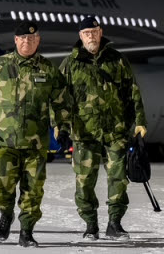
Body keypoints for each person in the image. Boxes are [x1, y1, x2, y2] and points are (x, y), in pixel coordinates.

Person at [0, 21, 70, 247]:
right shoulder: (0, 66)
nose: (27, 41)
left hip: (36, 143)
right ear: (16, 40)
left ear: (38, 40)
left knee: (33, 191)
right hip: (5, 141)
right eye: (23, 38)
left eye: (32, 38)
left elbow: (61, 103)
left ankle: (26, 231)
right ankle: (5, 213)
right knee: (0, 187)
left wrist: (63, 128)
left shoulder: (48, 70)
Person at [60, 16, 146, 241]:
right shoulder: (70, 63)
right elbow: (58, 98)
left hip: (115, 131)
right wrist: (59, 126)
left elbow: (133, 91)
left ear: (101, 32)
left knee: (118, 179)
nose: (90, 36)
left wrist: (140, 121)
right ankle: (90, 224)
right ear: (80, 36)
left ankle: (115, 224)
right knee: (84, 181)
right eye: (86, 33)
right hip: (84, 133)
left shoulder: (117, 60)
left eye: (94, 31)